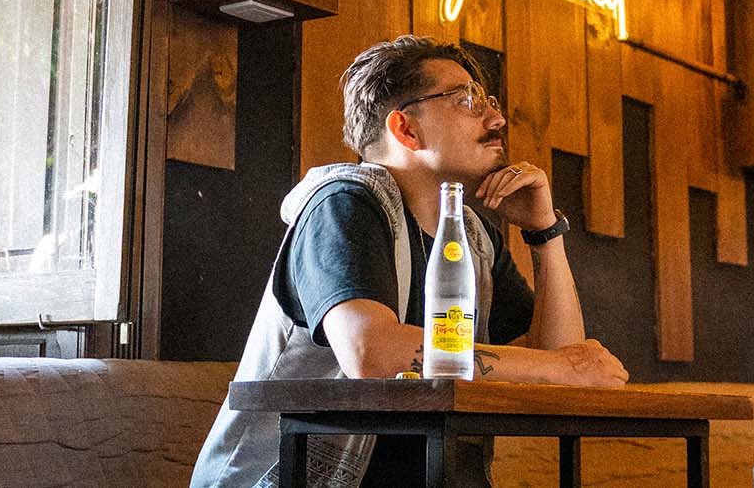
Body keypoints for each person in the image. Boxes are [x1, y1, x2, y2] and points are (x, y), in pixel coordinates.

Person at [190, 35, 628, 488]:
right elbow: (371, 353)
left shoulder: (473, 237)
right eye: (467, 101)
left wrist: (545, 235)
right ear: (406, 129)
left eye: (488, 101)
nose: (496, 118)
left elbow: (563, 366)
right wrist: (562, 368)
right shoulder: (343, 204)